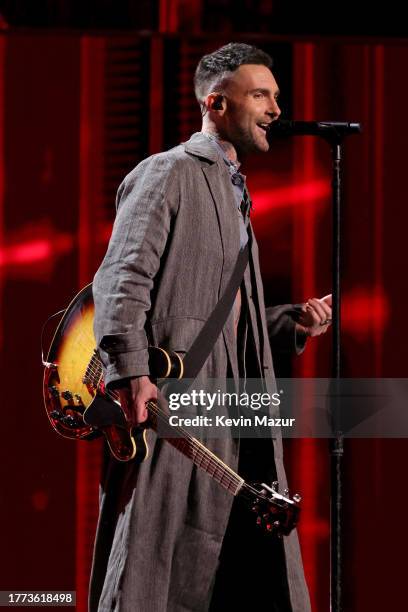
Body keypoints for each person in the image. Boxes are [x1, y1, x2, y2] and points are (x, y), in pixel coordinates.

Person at [89, 42, 332, 612]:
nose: (276, 109)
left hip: (236, 424)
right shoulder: (169, 172)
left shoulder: (234, 191)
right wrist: (130, 371)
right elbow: (123, 277)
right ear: (216, 103)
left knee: (242, 581)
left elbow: (223, 323)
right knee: (156, 574)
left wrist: (286, 321)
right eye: (261, 95)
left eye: (276, 95)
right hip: (175, 419)